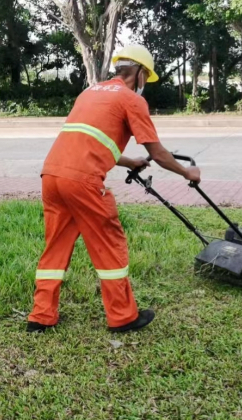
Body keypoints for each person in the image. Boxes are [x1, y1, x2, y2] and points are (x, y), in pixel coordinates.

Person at [27, 45, 201, 334]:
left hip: (52, 175)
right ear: (141, 74)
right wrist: (187, 172)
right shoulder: (131, 100)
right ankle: (122, 317)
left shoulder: (90, 92)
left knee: (55, 247)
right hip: (83, 182)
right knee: (109, 244)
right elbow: (157, 153)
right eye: (147, 77)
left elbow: (87, 141)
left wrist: (128, 161)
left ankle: (41, 316)